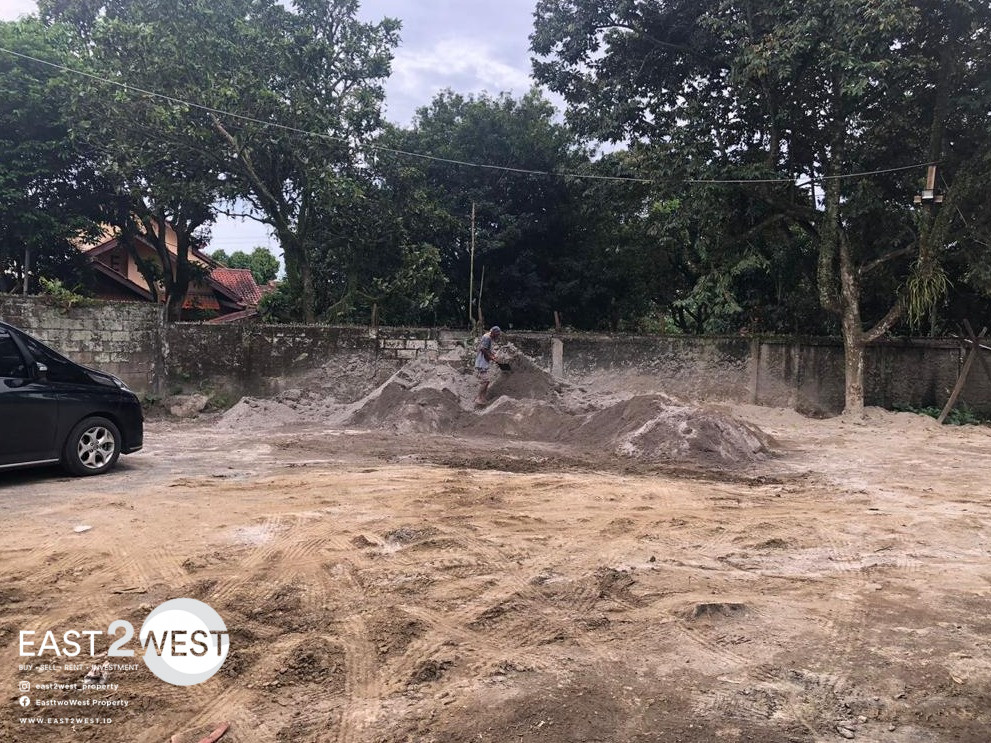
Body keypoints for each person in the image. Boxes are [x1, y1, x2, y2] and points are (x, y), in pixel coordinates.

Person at [474, 326, 502, 405]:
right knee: (485, 381)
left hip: (483, 362)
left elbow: (487, 349)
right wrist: (492, 358)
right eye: (497, 335)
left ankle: (482, 398)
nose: (497, 337)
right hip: (481, 362)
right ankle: (478, 398)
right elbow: (483, 349)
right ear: (493, 333)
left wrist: (493, 355)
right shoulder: (487, 338)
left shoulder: (488, 337)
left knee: (486, 381)